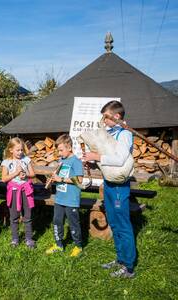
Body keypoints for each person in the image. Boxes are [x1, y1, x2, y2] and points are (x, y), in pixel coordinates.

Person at [83, 101, 136, 278]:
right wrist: (93, 161)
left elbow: (120, 159)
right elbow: (108, 160)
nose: (103, 121)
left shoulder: (124, 134)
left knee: (122, 225)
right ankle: (121, 259)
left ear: (117, 116)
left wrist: (96, 156)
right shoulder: (111, 133)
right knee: (113, 222)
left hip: (120, 186)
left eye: (106, 117)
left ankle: (128, 267)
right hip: (109, 183)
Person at [45, 134, 84, 257]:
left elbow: (80, 180)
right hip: (60, 198)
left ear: (70, 148)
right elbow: (58, 178)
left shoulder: (76, 162)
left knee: (73, 223)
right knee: (57, 221)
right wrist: (52, 180)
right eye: (58, 150)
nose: (59, 153)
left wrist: (60, 178)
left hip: (71, 199)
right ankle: (58, 244)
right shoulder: (61, 161)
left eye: (61, 150)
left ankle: (78, 246)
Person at [1, 137, 36, 249]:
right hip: (14, 191)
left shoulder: (26, 160)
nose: (20, 152)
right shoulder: (6, 162)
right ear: (11, 150)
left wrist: (25, 174)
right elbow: (4, 179)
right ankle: (15, 239)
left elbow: (33, 174)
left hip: (26, 190)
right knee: (14, 216)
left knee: (28, 215)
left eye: (21, 150)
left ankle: (29, 238)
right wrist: (15, 173)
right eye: (17, 150)